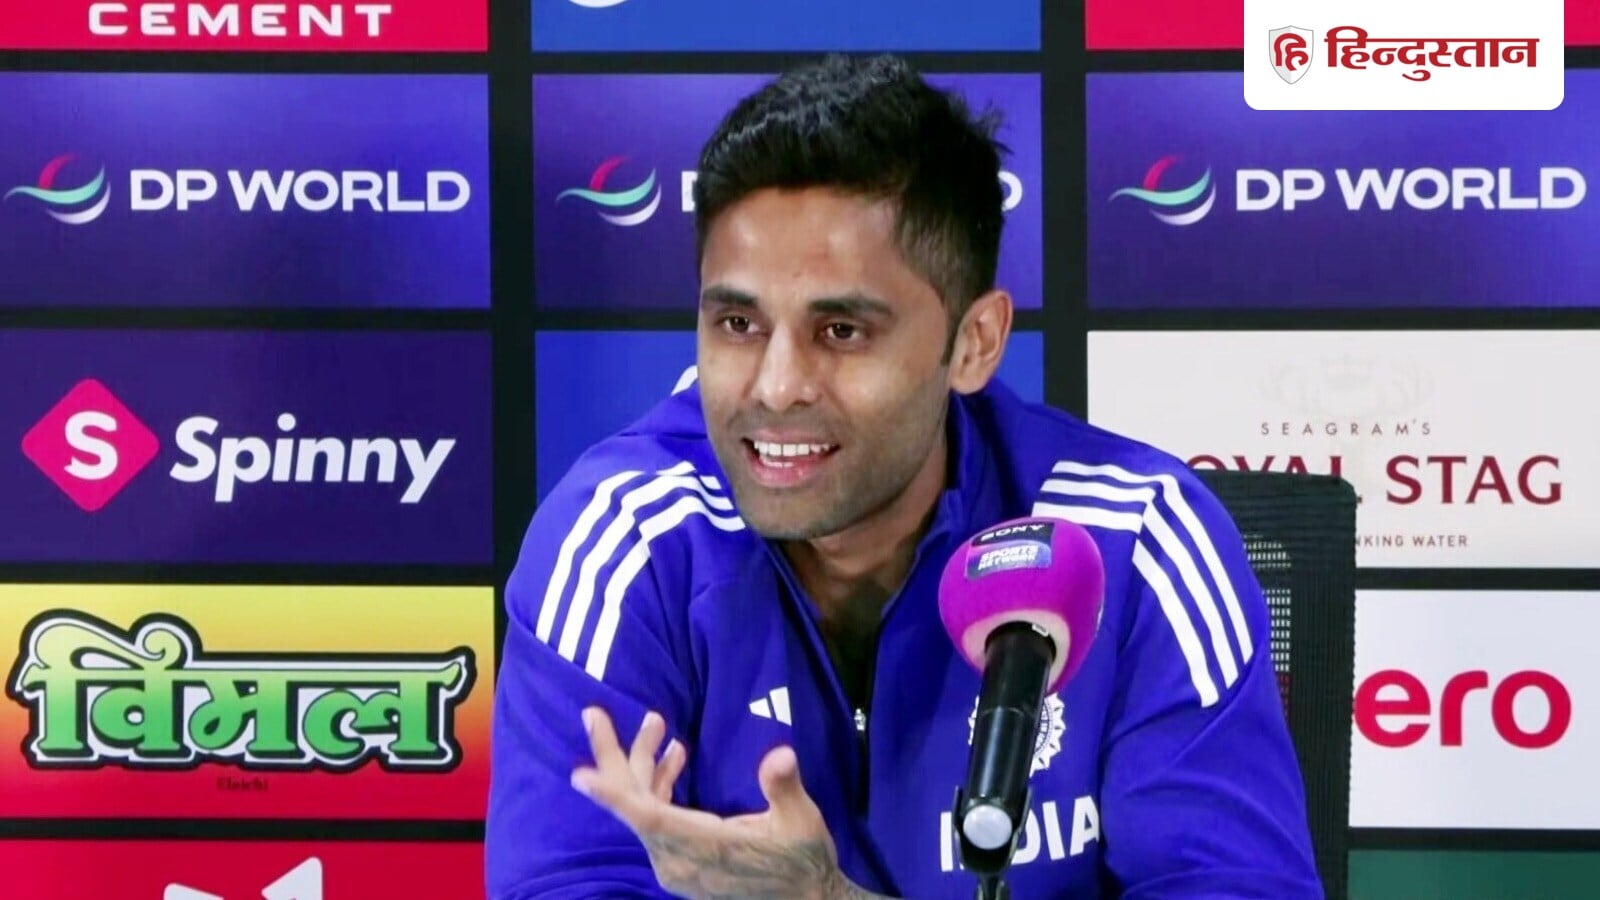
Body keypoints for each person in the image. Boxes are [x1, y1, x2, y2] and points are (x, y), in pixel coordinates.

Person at [485, 54, 1322, 899]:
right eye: (738, 323)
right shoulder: (626, 541)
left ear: (974, 344)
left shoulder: (1135, 543)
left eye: (842, 332)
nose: (775, 387)